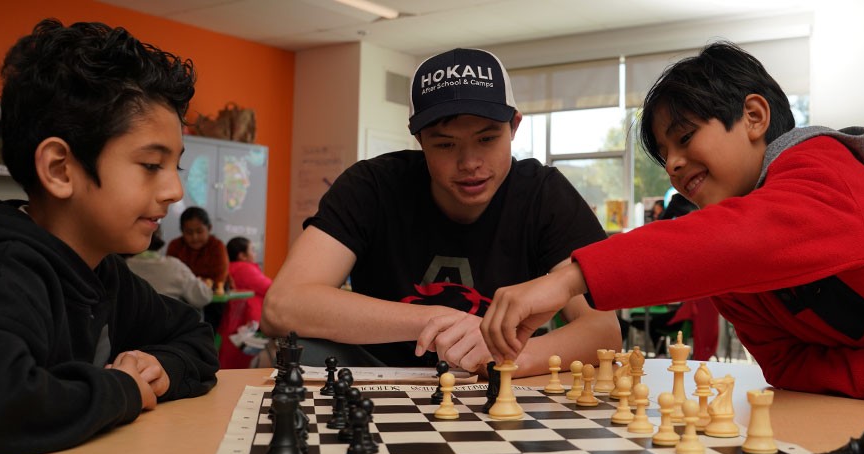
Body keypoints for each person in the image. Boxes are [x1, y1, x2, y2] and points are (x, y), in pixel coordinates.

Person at [482, 41, 864, 401]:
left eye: (686, 136)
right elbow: (788, 363)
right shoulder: (735, 269)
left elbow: (743, 237)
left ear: (755, 117)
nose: (673, 165)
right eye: (665, 156)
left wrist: (569, 277)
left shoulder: (822, 171)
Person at [0, 19, 218, 454]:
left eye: (176, 168)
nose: (174, 191)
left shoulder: (102, 270)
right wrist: (122, 389)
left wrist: (163, 367)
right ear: (59, 169)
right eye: (151, 165)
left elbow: (195, 334)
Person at [262, 48, 620, 377]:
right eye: (445, 144)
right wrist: (438, 319)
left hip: (498, 390)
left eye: (487, 139)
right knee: (300, 351)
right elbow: (282, 306)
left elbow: (602, 330)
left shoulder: (544, 194)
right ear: (418, 139)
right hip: (379, 385)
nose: (470, 163)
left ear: (514, 127)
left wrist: (502, 356)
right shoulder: (372, 186)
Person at [167, 206, 229, 326]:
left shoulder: (217, 246)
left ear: (209, 228)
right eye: (189, 232)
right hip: (183, 297)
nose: (194, 237)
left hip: (212, 298)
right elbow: (171, 276)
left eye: (199, 231)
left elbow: (219, 278)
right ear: (182, 231)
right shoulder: (175, 246)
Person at [126, 226, 213, 310]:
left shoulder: (123, 266)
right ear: (160, 236)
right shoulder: (174, 266)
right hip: (168, 323)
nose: (194, 237)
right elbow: (203, 297)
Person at [219, 236, 271, 368]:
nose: (255, 253)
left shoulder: (229, 268)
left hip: (233, 323)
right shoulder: (244, 269)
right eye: (252, 250)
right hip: (245, 323)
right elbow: (270, 288)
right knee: (238, 362)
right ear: (242, 255)